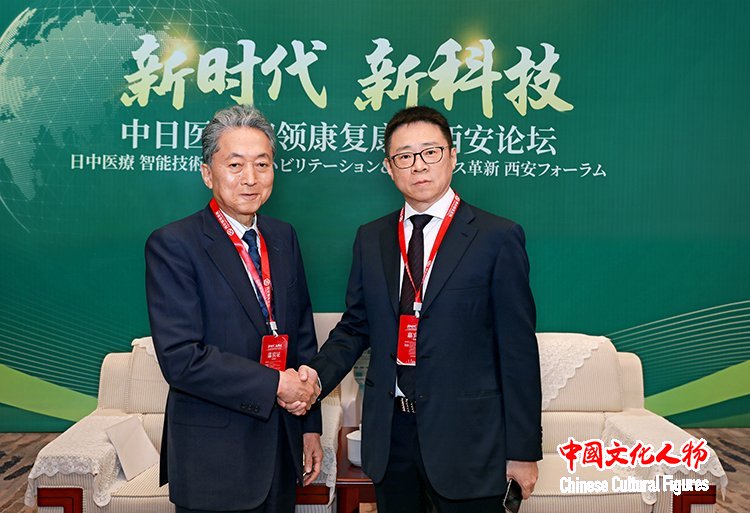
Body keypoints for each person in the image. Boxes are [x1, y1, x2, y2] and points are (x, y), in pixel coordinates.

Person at [296, 106, 542, 513]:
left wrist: (523, 451)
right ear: (389, 168)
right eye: (404, 156)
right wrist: (315, 377)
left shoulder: (496, 237)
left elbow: (517, 349)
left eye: (430, 152)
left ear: (453, 155)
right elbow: (356, 326)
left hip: (469, 440)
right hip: (392, 436)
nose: (419, 165)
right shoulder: (372, 237)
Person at [145, 104, 322, 513]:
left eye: (262, 164)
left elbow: (300, 337)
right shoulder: (174, 244)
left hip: (280, 449)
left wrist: (309, 428)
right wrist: (275, 384)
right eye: (235, 164)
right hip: (213, 459)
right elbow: (181, 359)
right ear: (208, 173)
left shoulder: (283, 237)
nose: (250, 178)